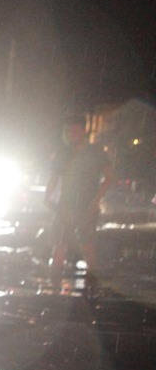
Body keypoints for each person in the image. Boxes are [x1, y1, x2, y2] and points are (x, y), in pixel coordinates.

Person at [44, 114, 114, 288]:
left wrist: (95, 202)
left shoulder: (95, 152)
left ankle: (92, 287)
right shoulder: (63, 153)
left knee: (87, 245)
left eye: (75, 130)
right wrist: (47, 197)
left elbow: (109, 177)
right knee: (60, 244)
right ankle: (55, 286)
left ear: (84, 131)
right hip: (65, 205)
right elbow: (54, 177)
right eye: (68, 131)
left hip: (87, 206)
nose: (71, 134)